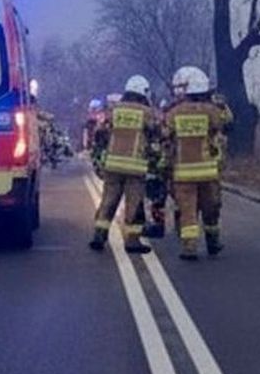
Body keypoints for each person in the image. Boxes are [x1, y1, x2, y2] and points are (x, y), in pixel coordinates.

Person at [162, 66, 233, 260]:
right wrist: (221, 105)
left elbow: (164, 136)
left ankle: (189, 248)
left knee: (187, 212)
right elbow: (227, 124)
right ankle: (213, 243)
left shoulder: (174, 112)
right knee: (211, 209)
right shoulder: (212, 111)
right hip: (208, 172)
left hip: (183, 173)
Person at [89, 76, 160, 254]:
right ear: (143, 92)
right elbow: (156, 133)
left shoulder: (114, 110)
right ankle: (132, 241)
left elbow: (100, 134)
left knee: (108, 200)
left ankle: (99, 235)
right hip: (135, 167)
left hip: (113, 165)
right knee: (133, 204)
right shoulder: (147, 112)